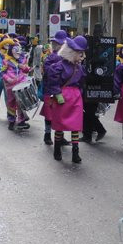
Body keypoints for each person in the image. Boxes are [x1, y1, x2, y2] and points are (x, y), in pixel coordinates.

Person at [43, 35, 87, 163]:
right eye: (80, 53)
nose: (82, 56)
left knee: (76, 125)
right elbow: (52, 80)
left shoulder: (79, 68)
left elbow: (82, 82)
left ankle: (75, 152)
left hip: (75, 98)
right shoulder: (59, 66)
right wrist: (57, 93)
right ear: (72, 52)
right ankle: (57, 149)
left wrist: (81, 93)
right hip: (63, 97)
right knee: (60, 124)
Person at [41, 30, 67, 145]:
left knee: (54, 114)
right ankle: (49, 135)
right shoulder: (51, 58)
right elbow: (47, 72)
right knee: (53, 114)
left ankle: (55, 136)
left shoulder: (51, 58)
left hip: (54, 90)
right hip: (54, 90)